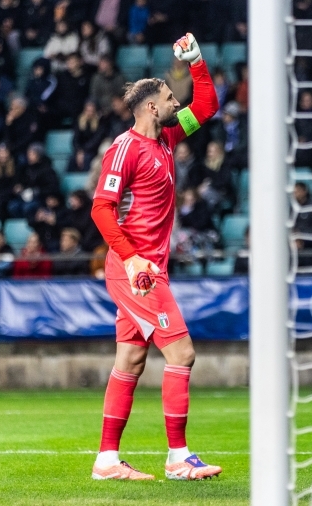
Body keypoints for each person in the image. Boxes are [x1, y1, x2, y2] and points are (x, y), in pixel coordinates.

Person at [89, 33, 221, 481]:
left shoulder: (165, 138)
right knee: (181, 352)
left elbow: (206, 107)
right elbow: (100, 208)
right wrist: (130, 259)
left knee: (130, 360)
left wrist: (197, 62)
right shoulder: (124, 149)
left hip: (147, 268)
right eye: (168, 97)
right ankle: (178, 457)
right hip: (136, 271)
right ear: (150, 106)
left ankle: (107, 461)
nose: (174, 101)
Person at [69, 100, 107, 172]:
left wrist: (84, 151)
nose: (89, 113)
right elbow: (75, 139)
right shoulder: (79, 122)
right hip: (80, 151)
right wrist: (79, 151)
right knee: (72, 160)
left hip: (92, 150)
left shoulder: (100, 123)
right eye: (87, 110)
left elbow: (96, 140)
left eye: (91, 111)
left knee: (87, 158)